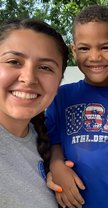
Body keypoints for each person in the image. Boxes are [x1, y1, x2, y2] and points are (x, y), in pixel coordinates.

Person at [45, 4, 108, 208]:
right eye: (84, 48)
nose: (94, 57)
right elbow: (53, 142)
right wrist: (56, 166)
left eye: (105, 47)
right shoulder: (61, 96)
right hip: (73, 202)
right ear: (74, 51)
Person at [0, 18, 69, 207]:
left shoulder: (45, 139)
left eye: (45, 68)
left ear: (59, 81)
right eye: (14, 61)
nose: (29, 78)